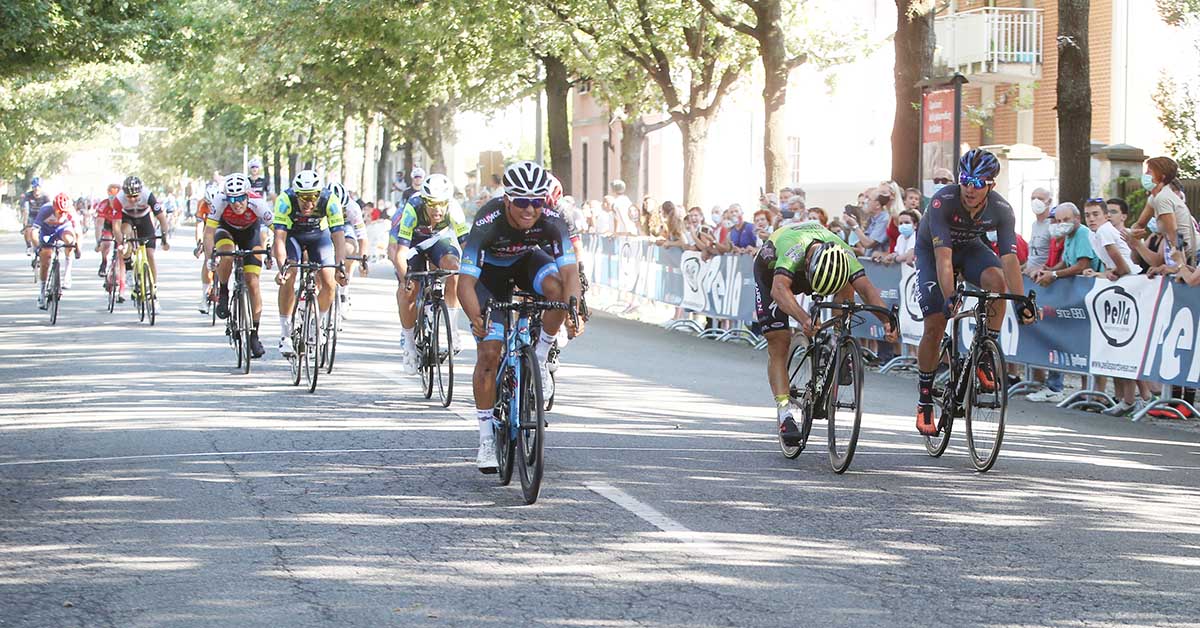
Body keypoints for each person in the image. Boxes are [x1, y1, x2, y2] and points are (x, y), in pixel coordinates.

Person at [457, 162, 583, 473]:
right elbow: (465, 283)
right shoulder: (488, 220)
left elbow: (570, 273)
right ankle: (486, 437)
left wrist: (574, 309)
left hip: (526, 263)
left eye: (537, 202)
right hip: (489, 276)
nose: (530, 210)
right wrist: (476, 319)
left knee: (556, 291)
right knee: (489, 352)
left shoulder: (553, 219)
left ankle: (539, 356)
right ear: (507, 200)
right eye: (522, 202)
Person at [914, 149, 1035, 435]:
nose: (970, 188)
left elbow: (1009, 259)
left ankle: (983, 354)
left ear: (991, 184)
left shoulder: (1001, 209)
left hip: (969, 249)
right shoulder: (943, 201)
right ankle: (924, 399)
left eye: (979, 183)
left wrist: (1019, 302)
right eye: (966, 180)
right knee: (935, 324)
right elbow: (943, 259)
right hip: (933, 253)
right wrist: (949, 296)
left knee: (997, 281)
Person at [754, 220, 896, 443]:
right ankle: (784, 413)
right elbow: (779, 290)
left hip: (825, 268)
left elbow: (867, 289)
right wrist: (804, 319)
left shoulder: (844, 253)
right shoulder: (793, 248)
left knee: (848, 287)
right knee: (778, 342)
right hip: (773, 274)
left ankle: (839, 342)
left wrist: (886, 320)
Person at [390, 173, 470, 373]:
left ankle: (452, 328)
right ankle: (409, 345)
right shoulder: (412, 208)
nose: (437, 209)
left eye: (442, 204)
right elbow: (400, 253)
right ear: (424, 201)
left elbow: (466, 245)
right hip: (413, 245)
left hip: (438, 241)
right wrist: (404, 279)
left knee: (454, 268)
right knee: (409, 289)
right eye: (432, 204)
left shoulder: (454, 208)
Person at [272, 170, 348, 357]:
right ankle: (285, 334)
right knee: (289, 275)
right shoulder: (285, 200)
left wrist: (341, 267)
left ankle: (316, 323)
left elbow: (338, 237)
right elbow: (279, 240)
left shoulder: (330, 200)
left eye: (313, 197)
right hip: (293, 237)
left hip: (318, 237)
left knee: (330, 283)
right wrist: (282, 268)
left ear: (319, 194)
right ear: (296, 194)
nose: (309, 203)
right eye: (304, 198)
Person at [204, 173, 273, 358]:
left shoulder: (258, 203)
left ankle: (254, 335)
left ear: (247, 195)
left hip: (251, 233)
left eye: (241, 198)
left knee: (253, 282)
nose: (237, 203)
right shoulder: (219, 201)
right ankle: (224, 291)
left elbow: (277, 229)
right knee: (225, 254)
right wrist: (210, 257)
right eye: (232, 199)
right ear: (227, 197)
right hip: (226, 230)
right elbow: (209, 232)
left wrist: (273, 249)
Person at [1132, 156, 1194, 269]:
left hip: (1191, 255)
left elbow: (1174, 235)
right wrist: (1134, 232)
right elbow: (1140, 224)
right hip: (1184, 254)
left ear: (1162, 176)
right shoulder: (1154, 198)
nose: (1145, 174)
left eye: (1149, 172)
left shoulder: (1163, 199)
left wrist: (1179, 268)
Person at [114, 176, 171, 288]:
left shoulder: (148, 195)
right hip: (127, 218)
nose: (132, 199)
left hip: (144, 219)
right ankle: (129, 269)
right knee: (125, 234)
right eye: (129, 196)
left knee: (150, 254)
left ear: (141, 192)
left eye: (135, 196)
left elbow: (162, 218)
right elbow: (116, 226)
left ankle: (153, 289)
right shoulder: (118, 199)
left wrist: (164, 239)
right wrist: (121, 243)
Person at [327, 183, 370, 319]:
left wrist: (363, 260)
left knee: (349, 249)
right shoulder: (320, 203)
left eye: (342, 208)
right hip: (325, 223)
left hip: (345, 226)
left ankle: (344, 291)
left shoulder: (353, 208)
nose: (338, 211)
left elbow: (362, 237)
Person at [34, 193, 80, 308]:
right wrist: (36, 246)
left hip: (63, 229)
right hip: (47, 231)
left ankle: (67, 273)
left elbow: (78, 233)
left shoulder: (71, 212)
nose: (62, 214)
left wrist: (78, 249)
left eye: (64, 212)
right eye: (59, 212)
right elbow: (34, 231)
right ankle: (42, 291)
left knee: (70, 240)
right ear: (54, 208)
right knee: (45, 259)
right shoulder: (46, 210)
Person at [1032, 203, 1094, 288]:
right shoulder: (1068, 235)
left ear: (1078, 218)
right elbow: (1065, 262)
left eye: (1066, 219)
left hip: (1091, 286)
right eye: (1059, 221)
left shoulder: (1082, 233)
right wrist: (1049, 270)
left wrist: (1054, 274)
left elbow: (1082, 265)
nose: (1062, 224)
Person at [193, 183, 219, 312]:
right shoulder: (202, 204)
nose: (210, 207)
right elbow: (199, 225)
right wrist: (199, 243)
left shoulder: (223, 203)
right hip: (207, 230)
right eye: (209, 204)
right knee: (207, 260)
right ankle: (204, 296)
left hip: (221, 229)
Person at [844, 185, 892, 256]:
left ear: (877, 205)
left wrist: (855, 226)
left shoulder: (884, 219)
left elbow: (868, 243)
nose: (865, 201)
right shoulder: (871, 219)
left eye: (868, 199)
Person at [93, 183, 121, 280]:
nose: (113, 202)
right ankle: (104, 262)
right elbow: (99, 225)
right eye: (111, 198)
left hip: (120, 225)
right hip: (108, 225)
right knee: (107, 242)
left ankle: (118, 265)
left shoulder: (124, 204)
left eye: (116, 199)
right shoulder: (103, 205)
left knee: (120, 247)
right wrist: (98, 241)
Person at [20, 177, 50, 255]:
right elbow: (25, 210)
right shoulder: (27, 196)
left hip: (42, 216)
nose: (36, 189)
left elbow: (49, 209)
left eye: (38, 187)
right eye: (35, 187)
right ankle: (29, 246)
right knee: (28, 229)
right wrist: (25, 224)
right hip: (32, 216)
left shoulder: (45, 196)